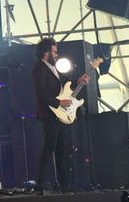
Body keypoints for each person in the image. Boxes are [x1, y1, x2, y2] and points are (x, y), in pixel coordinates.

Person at [31, 38, 89, 191]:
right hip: (50, 113)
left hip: (59, 114)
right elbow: (41, 93)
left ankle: (65, 184)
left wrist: (79, 81)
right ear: (46, 52)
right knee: (49, 147)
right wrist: (59, 103)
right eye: (54, 51)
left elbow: (67, 86)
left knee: (61, 148)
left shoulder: (53, 68)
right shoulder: (39, 68)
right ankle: (41, 181)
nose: (57, 54)